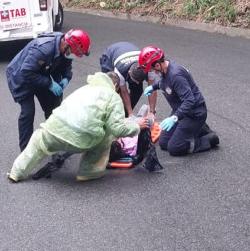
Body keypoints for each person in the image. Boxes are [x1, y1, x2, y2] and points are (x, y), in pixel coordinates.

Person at [8, 72, 151, 182]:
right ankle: (89, 172)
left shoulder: (84, 88)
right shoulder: (112, 97)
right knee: (106, 135)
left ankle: (17, 173)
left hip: (53, 131)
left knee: (38, 140)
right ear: (114, 86)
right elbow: (117, 129)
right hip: (81, 141)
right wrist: (136, 126)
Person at [6, 29, 91, 151]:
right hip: (21, 76)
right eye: (75, 53)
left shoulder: (66, 49)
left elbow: (66, 65)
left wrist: (66, 77)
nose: (74, 56)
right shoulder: (43, 49)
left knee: (53, 108)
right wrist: (50, 83)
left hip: (40, 74)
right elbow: (26, 71)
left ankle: (54, 144)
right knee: (28, 112)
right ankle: (25, 151)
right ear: (67, 46)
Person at [139, 46, 220, 156]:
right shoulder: (165, 69)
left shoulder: (176, 75)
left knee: (175, 148)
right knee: (164, 143)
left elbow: (189, 101)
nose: (152, 72)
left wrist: (174, 118)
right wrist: (154, 87)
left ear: (157, 65)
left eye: (152, 69)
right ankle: (198, 130)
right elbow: (165, 82)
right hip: (181, 111)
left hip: (194, 113)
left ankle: (208, 140)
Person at [99, 41, 157, 118]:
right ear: (129, 73)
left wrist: (151, 112)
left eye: (138, 81)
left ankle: (126, 115)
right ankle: (108, 117)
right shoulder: (120, 70)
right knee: (113, 91)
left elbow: (152, 89)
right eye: (134, 80)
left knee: (137, 90)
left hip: (128, 52)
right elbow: (124, 92)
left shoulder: (149, 68)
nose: (136, 83)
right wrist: (130, 112)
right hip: (110, 57)